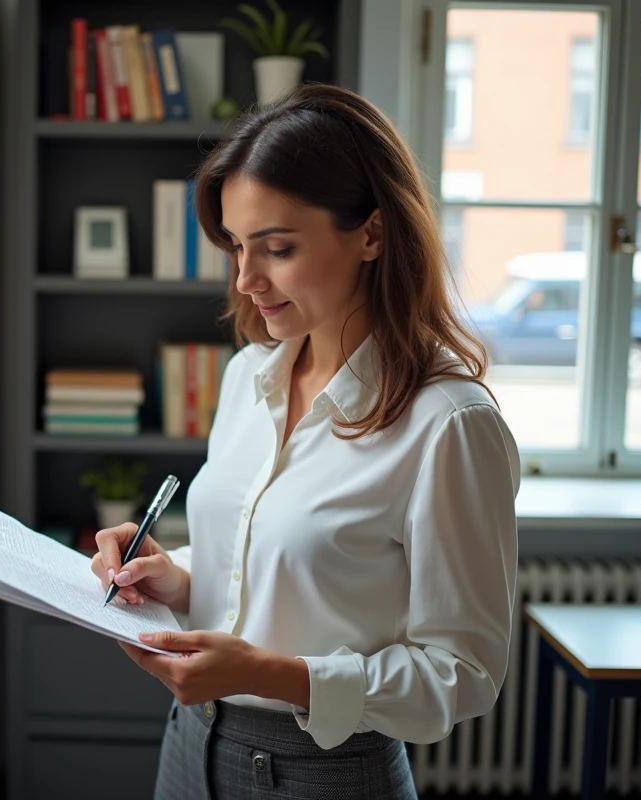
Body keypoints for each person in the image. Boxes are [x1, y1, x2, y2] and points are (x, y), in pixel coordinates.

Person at [90, 84, 519, 799]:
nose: (246, 279)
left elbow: (463, 674)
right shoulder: (247, 378)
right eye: (235, 247)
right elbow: (285, 567)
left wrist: (267, 673)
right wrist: (178, 578)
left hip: (322, 773)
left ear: (372, 235)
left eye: (277, 249)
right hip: (187, 745)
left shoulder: (448, 424)